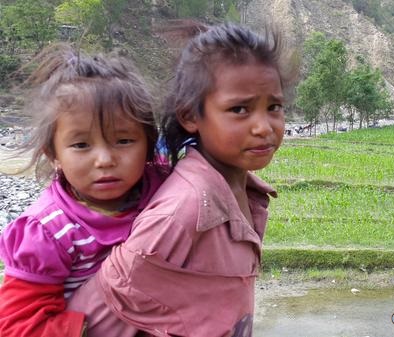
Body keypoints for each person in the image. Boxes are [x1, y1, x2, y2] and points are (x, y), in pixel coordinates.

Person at [68, 22, 298, 336]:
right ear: (190, 116)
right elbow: (106, 301)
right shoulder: (183, 210)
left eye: (274, 106)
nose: (264, 126)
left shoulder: (241, 191)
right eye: (240, 109)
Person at [0, 43, 165, 337]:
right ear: (53, 153)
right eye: (81, 145)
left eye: (124, 140)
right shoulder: (49, 232)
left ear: (149, 143)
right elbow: (17, 326)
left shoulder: (165, 188)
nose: (104, 160)